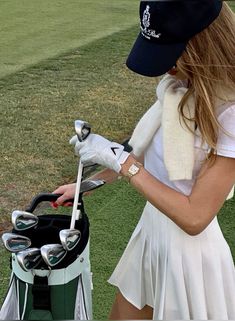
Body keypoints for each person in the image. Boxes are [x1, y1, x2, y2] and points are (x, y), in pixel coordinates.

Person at [52, 1, 235, 319]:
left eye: (171, 53)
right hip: (152, 233)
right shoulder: (177, 88)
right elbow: (143, 150)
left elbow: (195, 217)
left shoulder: (229, 113)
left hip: (189, 258)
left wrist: (120, 161)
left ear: (202, 44)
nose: (166, 68)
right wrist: (85, 184)